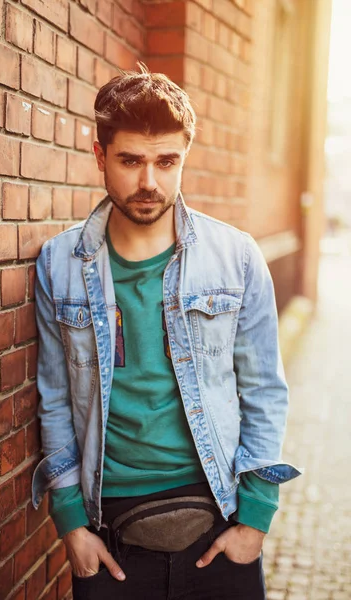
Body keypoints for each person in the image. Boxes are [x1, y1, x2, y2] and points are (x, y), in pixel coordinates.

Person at [32, 64, 301, 600]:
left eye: (167, 161)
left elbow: (264, 389)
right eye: (131, 160)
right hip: (108, 532)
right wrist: (70, 526)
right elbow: (55, 398)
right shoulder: (59, 264)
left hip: (219, 517)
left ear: (184, 159)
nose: (149, 182)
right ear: (99, 154)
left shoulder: (237, 258)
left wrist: (254, 522)